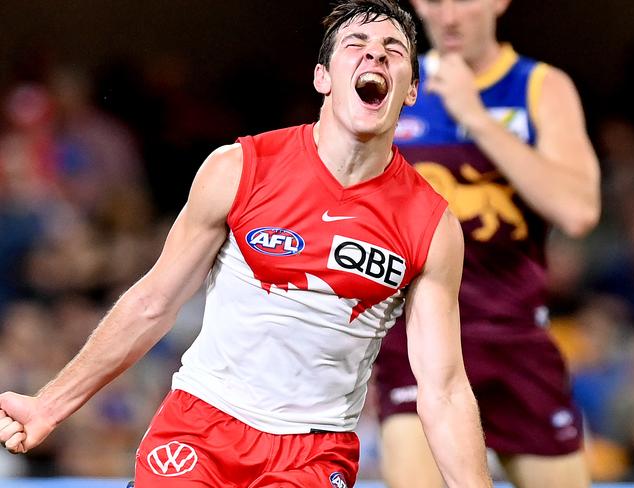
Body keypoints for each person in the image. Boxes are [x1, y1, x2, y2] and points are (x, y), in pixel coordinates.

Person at [0, 1, 493, 487]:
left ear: (410, 91)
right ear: (323, 77)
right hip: (200, 427)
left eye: (393, 50)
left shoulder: (431, 224)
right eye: (356, 45)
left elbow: (444, 389)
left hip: (313, 452)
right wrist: (49, 404)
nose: (375, 57)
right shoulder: (238, 168)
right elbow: (153, 303)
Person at [374, 1, 601, 488]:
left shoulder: (540, 87)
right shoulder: (391, 86)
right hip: (418, 341)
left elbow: (578, 211)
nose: (449, 16)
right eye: (435, 1)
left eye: (464, 0)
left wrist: (476, 119)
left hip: (516, 341)